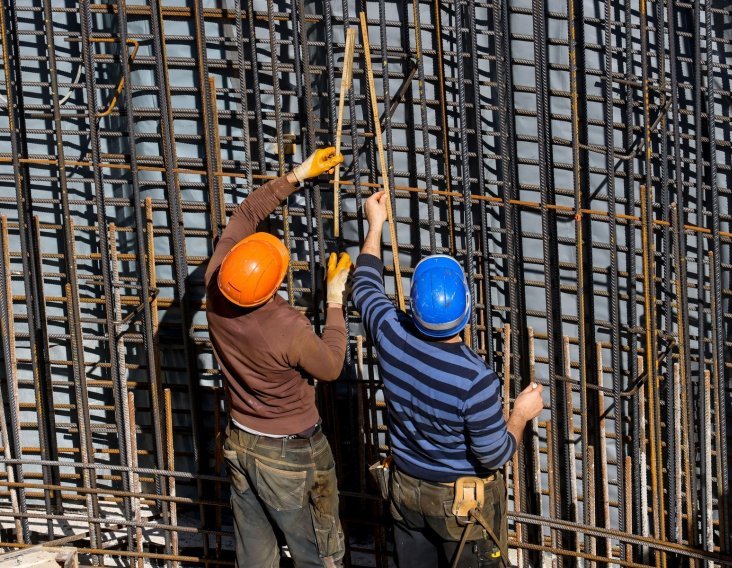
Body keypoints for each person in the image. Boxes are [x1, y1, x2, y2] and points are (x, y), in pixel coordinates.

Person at [352, 191, 546, 567]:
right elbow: (492, 455)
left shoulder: (391, 334)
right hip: (459, 507)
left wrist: (375, 225)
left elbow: (365, 287)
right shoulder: (476, 381)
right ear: (467, 310)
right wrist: (521, 414)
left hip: (405, 492)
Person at [205, 147, 352, 567]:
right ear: (272, 289)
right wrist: (337, 301)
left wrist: (296, 176)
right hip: (291, 454)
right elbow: (330, 366)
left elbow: (246, 213)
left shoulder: (218, 285)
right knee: (316, 552)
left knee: (256, 553)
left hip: (240, 440)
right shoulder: (286, 327)